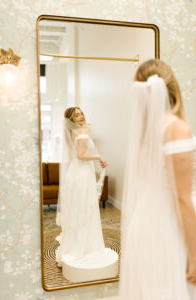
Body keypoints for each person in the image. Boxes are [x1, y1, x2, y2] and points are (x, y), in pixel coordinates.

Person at [120, 59, 196, 299]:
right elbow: (182, 200)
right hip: (168, 228)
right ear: (173, 87)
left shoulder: (144, 132)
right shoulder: (176, 128)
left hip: (143, 225)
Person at [55, 107, 107, 267]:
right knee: (84, 207)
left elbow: (75, 156)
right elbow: (81, 156)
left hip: (75, 173)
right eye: (76, 115)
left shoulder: (72, 133)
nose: (80, 116)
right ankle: (84, 246)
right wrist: (99, 156)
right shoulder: (82, 132)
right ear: (71, 120)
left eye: (81, 113)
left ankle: (78, 241)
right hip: (81, 174)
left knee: (78, 208)